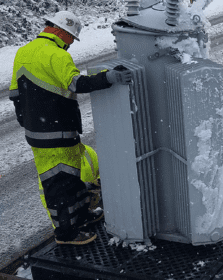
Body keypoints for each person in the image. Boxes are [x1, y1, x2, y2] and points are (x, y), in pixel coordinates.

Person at [8, 11, 133, 245]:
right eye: (71, 38)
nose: (70, 44)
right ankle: (66, 234)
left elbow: (15, 94)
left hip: (42, 132)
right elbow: (76, 83)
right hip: (57, 131)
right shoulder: (57, 55)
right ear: (61, 31)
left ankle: (81, 217)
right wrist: (110, 78)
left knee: (71, 177)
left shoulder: (23, 52)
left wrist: (29, 122)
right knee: (59, 184)